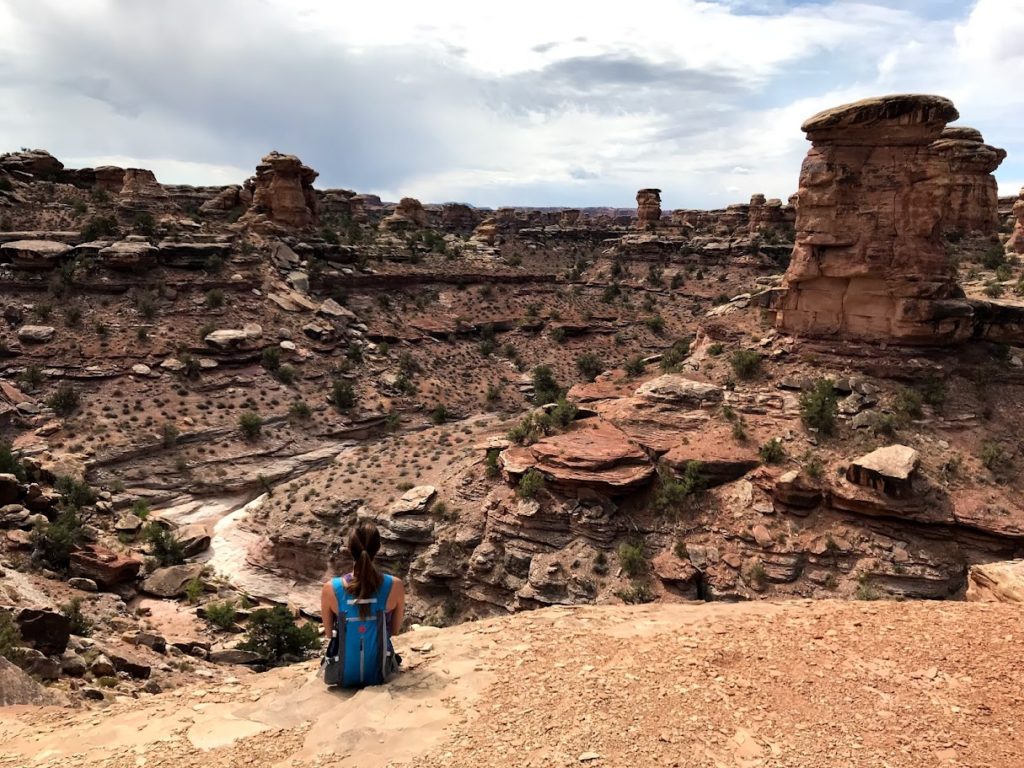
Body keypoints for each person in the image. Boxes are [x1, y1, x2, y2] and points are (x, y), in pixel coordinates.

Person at [320, 520, 405, 687]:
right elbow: (394, 631)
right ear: (378, 548)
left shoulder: (331, 588)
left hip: (344, 675)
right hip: (381, 673)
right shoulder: (395, 585)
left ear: (350, 549)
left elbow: (329, 634)